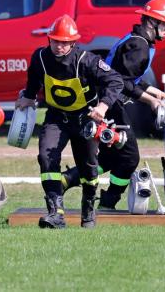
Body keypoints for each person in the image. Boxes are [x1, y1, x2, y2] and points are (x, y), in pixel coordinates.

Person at [60, 0, 165, 209]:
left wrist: (154, 90)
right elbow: (122, 82)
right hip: (111, 104)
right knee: (129, 158)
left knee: (112, 158)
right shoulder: (139, 47)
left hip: (109, 100)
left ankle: (67, 179)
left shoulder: (136, 40)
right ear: (152, 22)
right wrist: (151, 101)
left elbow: (129, 78)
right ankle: (108, 202)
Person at [16, 14, 123, 229]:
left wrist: (103, 106)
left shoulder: (87, 61)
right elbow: (34, 77)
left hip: (85, 121)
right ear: (49, 39)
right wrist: (28, 96)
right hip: (56, 117)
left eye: (64, 43)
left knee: (89, 170)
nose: (59, 47)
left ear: (73, 42)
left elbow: (115, 80)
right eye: (56, 41)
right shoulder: (40, 57)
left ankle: (88, 211)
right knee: (46, 159)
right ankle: (56, 214)